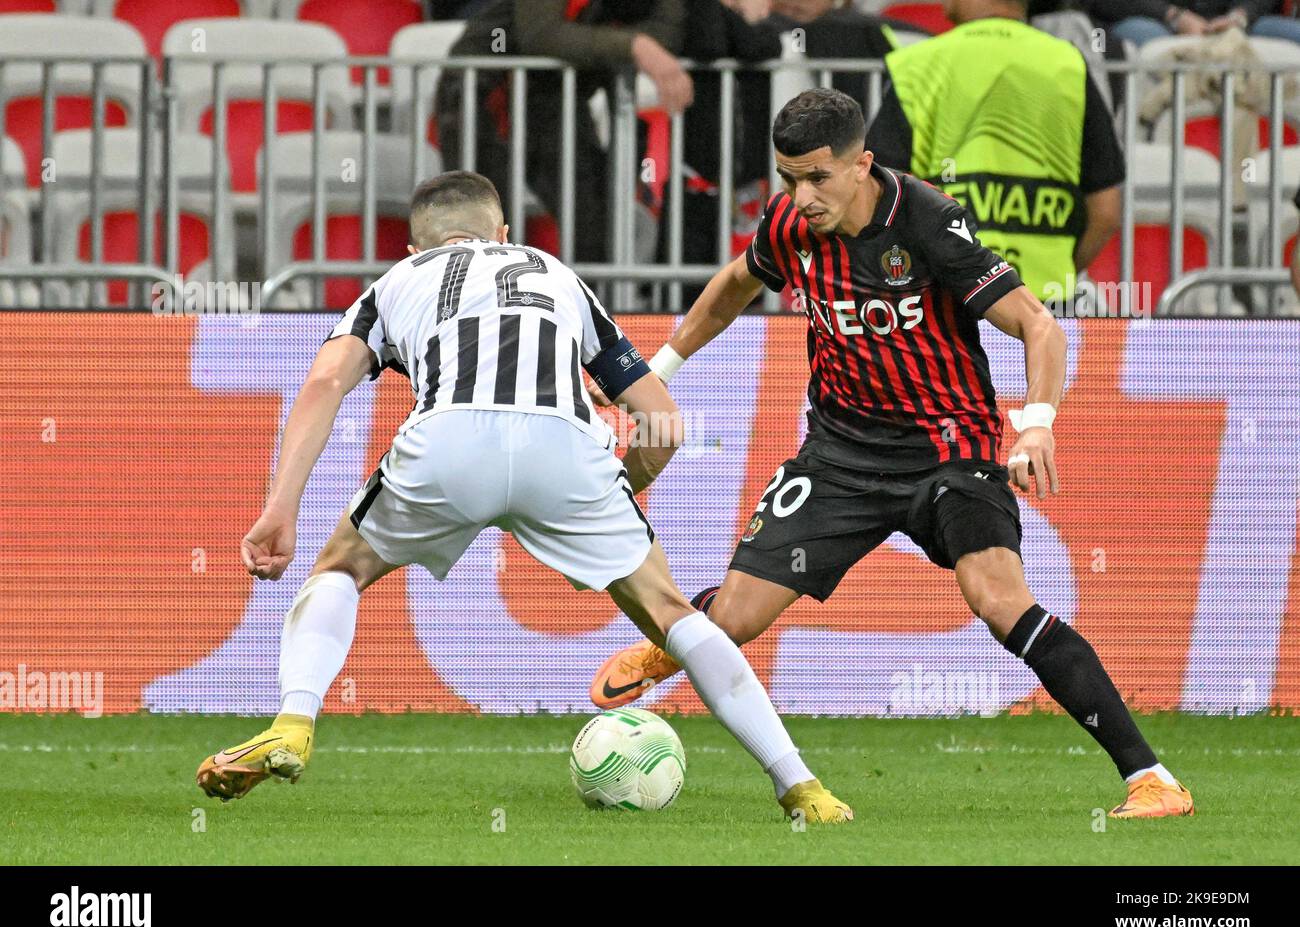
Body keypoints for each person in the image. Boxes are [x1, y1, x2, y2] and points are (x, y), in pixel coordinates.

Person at [588, 89, 1195, 819]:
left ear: (862, 164)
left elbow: (1040, 325)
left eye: (818, 178)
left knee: (999, 602)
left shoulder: (929, 222)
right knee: (738, 619)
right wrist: (660, 370)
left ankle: (1153, 779)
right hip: (840, 454)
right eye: (787, 179)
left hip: (950, 449)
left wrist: (1036, 424)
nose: (801, 197)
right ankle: (679, 644)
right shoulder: (790, 225)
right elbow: (733, 287)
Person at [194, 171, 851, 824]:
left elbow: (324, 380)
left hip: (447, 441)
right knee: (670, 613)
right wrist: (618, 491)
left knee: (340, 568)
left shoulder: (395, 283)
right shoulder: (555, 274)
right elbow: (664, 424)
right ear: (504, 234)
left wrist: (280, 508)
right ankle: (801, 787)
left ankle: (293, 722)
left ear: (414, 249)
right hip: (563, 447)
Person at [867, 0, 1124, 305]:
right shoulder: (1068, 65)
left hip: (943, 299)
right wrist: (1060, 271)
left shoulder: (916, 64)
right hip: (1046, 299)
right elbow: (1106, 211)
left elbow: (877, 194)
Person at [435, 0, 692, 264]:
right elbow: (540, 35)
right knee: (481, 229)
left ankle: (583, 302)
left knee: (592, 221)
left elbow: (668, 34)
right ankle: (480, 301)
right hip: (482, 91)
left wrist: (635, 44)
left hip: (554, 94)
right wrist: (634, 45)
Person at [1084, 1, 1300, 48]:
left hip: (1236, 23)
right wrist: (1175, 16)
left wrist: (1239, 16)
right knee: (1145, 35)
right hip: (1159, 21)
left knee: (1292, 33)